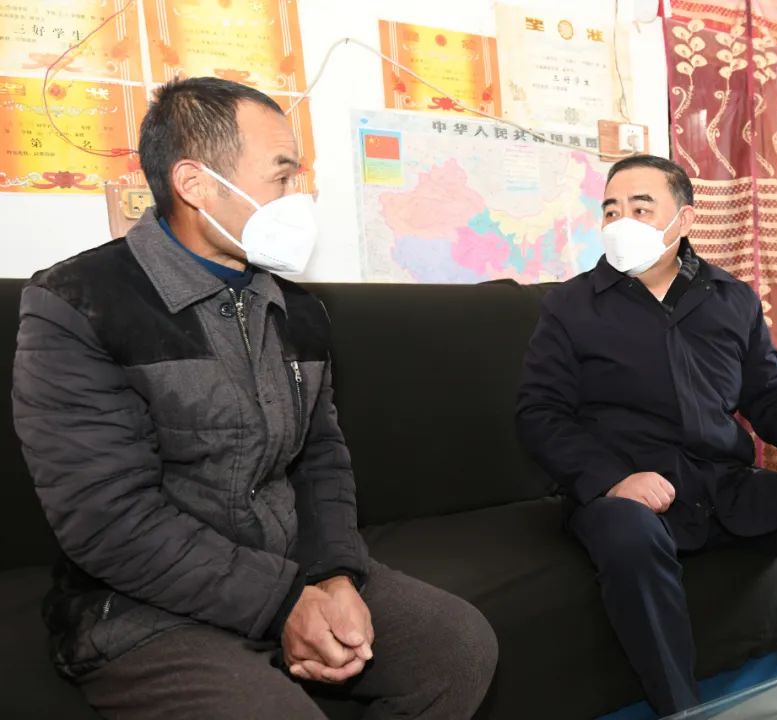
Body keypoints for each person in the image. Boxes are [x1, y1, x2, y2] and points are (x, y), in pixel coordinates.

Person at [12, 77, 496, 720]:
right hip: (144, 602)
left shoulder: (299, 310)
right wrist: (283, 602)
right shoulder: (79, 305)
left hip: (292, 570)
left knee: (458, 648)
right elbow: (108, 519)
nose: (298, 198)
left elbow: (321, 460)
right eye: (281, 176)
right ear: (195, 183)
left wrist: (334, 575)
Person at [516, 154, 777, 715]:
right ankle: (682, 710)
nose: (622, 222)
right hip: (627, 493)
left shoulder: (732, 298)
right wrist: (614, 480)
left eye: (641, 208)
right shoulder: (570, 306)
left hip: (722, 485)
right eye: (611, 210)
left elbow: (774, 399)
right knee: (628, 535)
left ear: (685, 219)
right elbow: (540, 412)